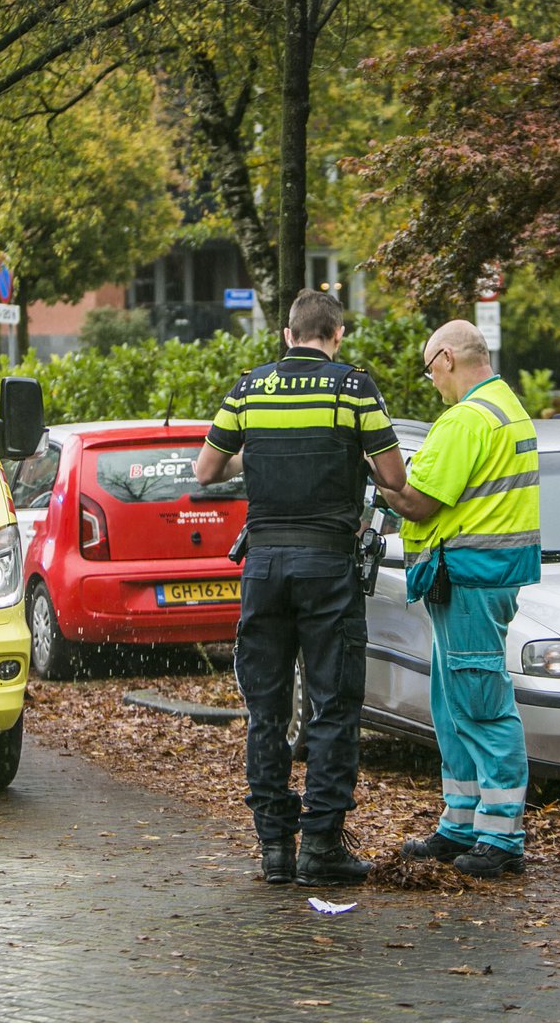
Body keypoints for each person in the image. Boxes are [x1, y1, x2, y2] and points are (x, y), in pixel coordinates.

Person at [194, 290, 406, 887]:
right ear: (337, 335)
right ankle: (320, 845)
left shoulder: (248, 390)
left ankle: (274, 849)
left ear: (287, 335)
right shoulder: (353, 389)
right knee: (333, 705)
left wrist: (258, 456)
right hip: (327, 567)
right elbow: (393, 478)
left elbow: (206, 470)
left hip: (263, 566)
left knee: (266, 710)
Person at [377, 320, 540, 879]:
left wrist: (376, 472)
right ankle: (462, 822)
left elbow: (418, 502)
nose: (433, 383)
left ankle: (500, 836)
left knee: (480, 704)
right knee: (454, 706)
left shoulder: (466, 419)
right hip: (484, 577)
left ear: (446, 358)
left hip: (470, 577)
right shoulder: (506, 409)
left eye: (430, 371)